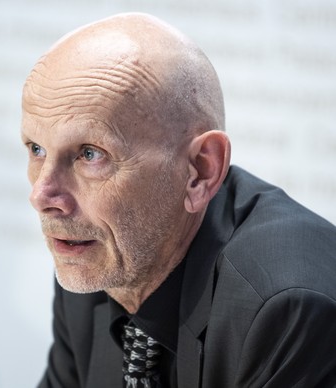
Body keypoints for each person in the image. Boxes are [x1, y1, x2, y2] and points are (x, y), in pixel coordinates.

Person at [20, 12, 336, 388]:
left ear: (200, 171)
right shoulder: (94, 258)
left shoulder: (286, 310)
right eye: (36, 148)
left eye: (90, 154)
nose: (42, 195)